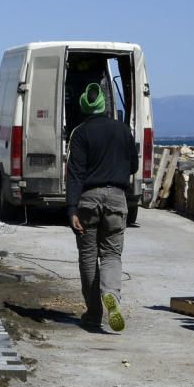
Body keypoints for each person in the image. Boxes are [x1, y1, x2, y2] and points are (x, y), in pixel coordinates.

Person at [66, 83, 138, 332]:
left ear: (85, 106)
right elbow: (134, 167)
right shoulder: (123, 130)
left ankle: (94, 313)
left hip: (88, 201)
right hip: (117, 199)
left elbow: (74, 174)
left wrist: (72, 209)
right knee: (111, 255)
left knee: (88, 257)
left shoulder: (81, 133)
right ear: (104, 105)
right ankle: (112, 297)